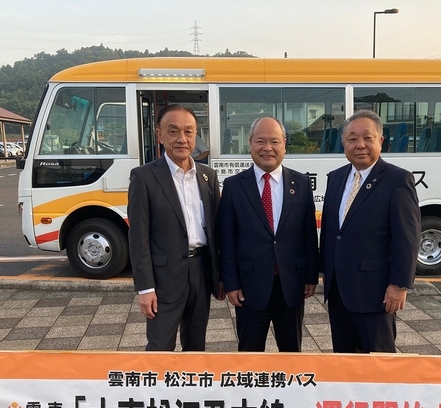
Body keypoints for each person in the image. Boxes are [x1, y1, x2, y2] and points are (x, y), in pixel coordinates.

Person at [320, 110, 420, 353]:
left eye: (368, 138)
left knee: (379, 363)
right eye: (352, 139)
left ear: (381, 141)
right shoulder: (336, 178)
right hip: (339, 291)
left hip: (375, 293)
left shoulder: (397, 180)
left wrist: (399, 284)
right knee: (344, 360)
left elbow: (407, 237)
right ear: (343, 143)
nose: (360, 145)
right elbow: (333, 232)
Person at [218, 116, 319, 352]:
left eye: (274, 141)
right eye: (260, 141)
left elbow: (308, 234)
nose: (267, 148)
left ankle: (291, 390)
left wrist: (311, 276)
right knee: (250, 356)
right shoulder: (234, 186)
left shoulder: (301, 183)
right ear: (250, 143)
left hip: (291, 286)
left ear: (284, 144)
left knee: (292, 354)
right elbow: (228, 238)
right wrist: (230, 282)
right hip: (249, 287)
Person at [127, 104, 223, 351]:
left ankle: (190, 390)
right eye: (173, 131)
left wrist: (220, 276)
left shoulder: (207, 177)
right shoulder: (144, 177)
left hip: (201, 272)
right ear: (160, 135)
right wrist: (145, 288)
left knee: (195, 346)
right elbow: (139, 238)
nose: (182, 139)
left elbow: (217, 231)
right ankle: (158, 391)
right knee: (160, 348)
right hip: (164, 280)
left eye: (188, 132)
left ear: (195, 135)